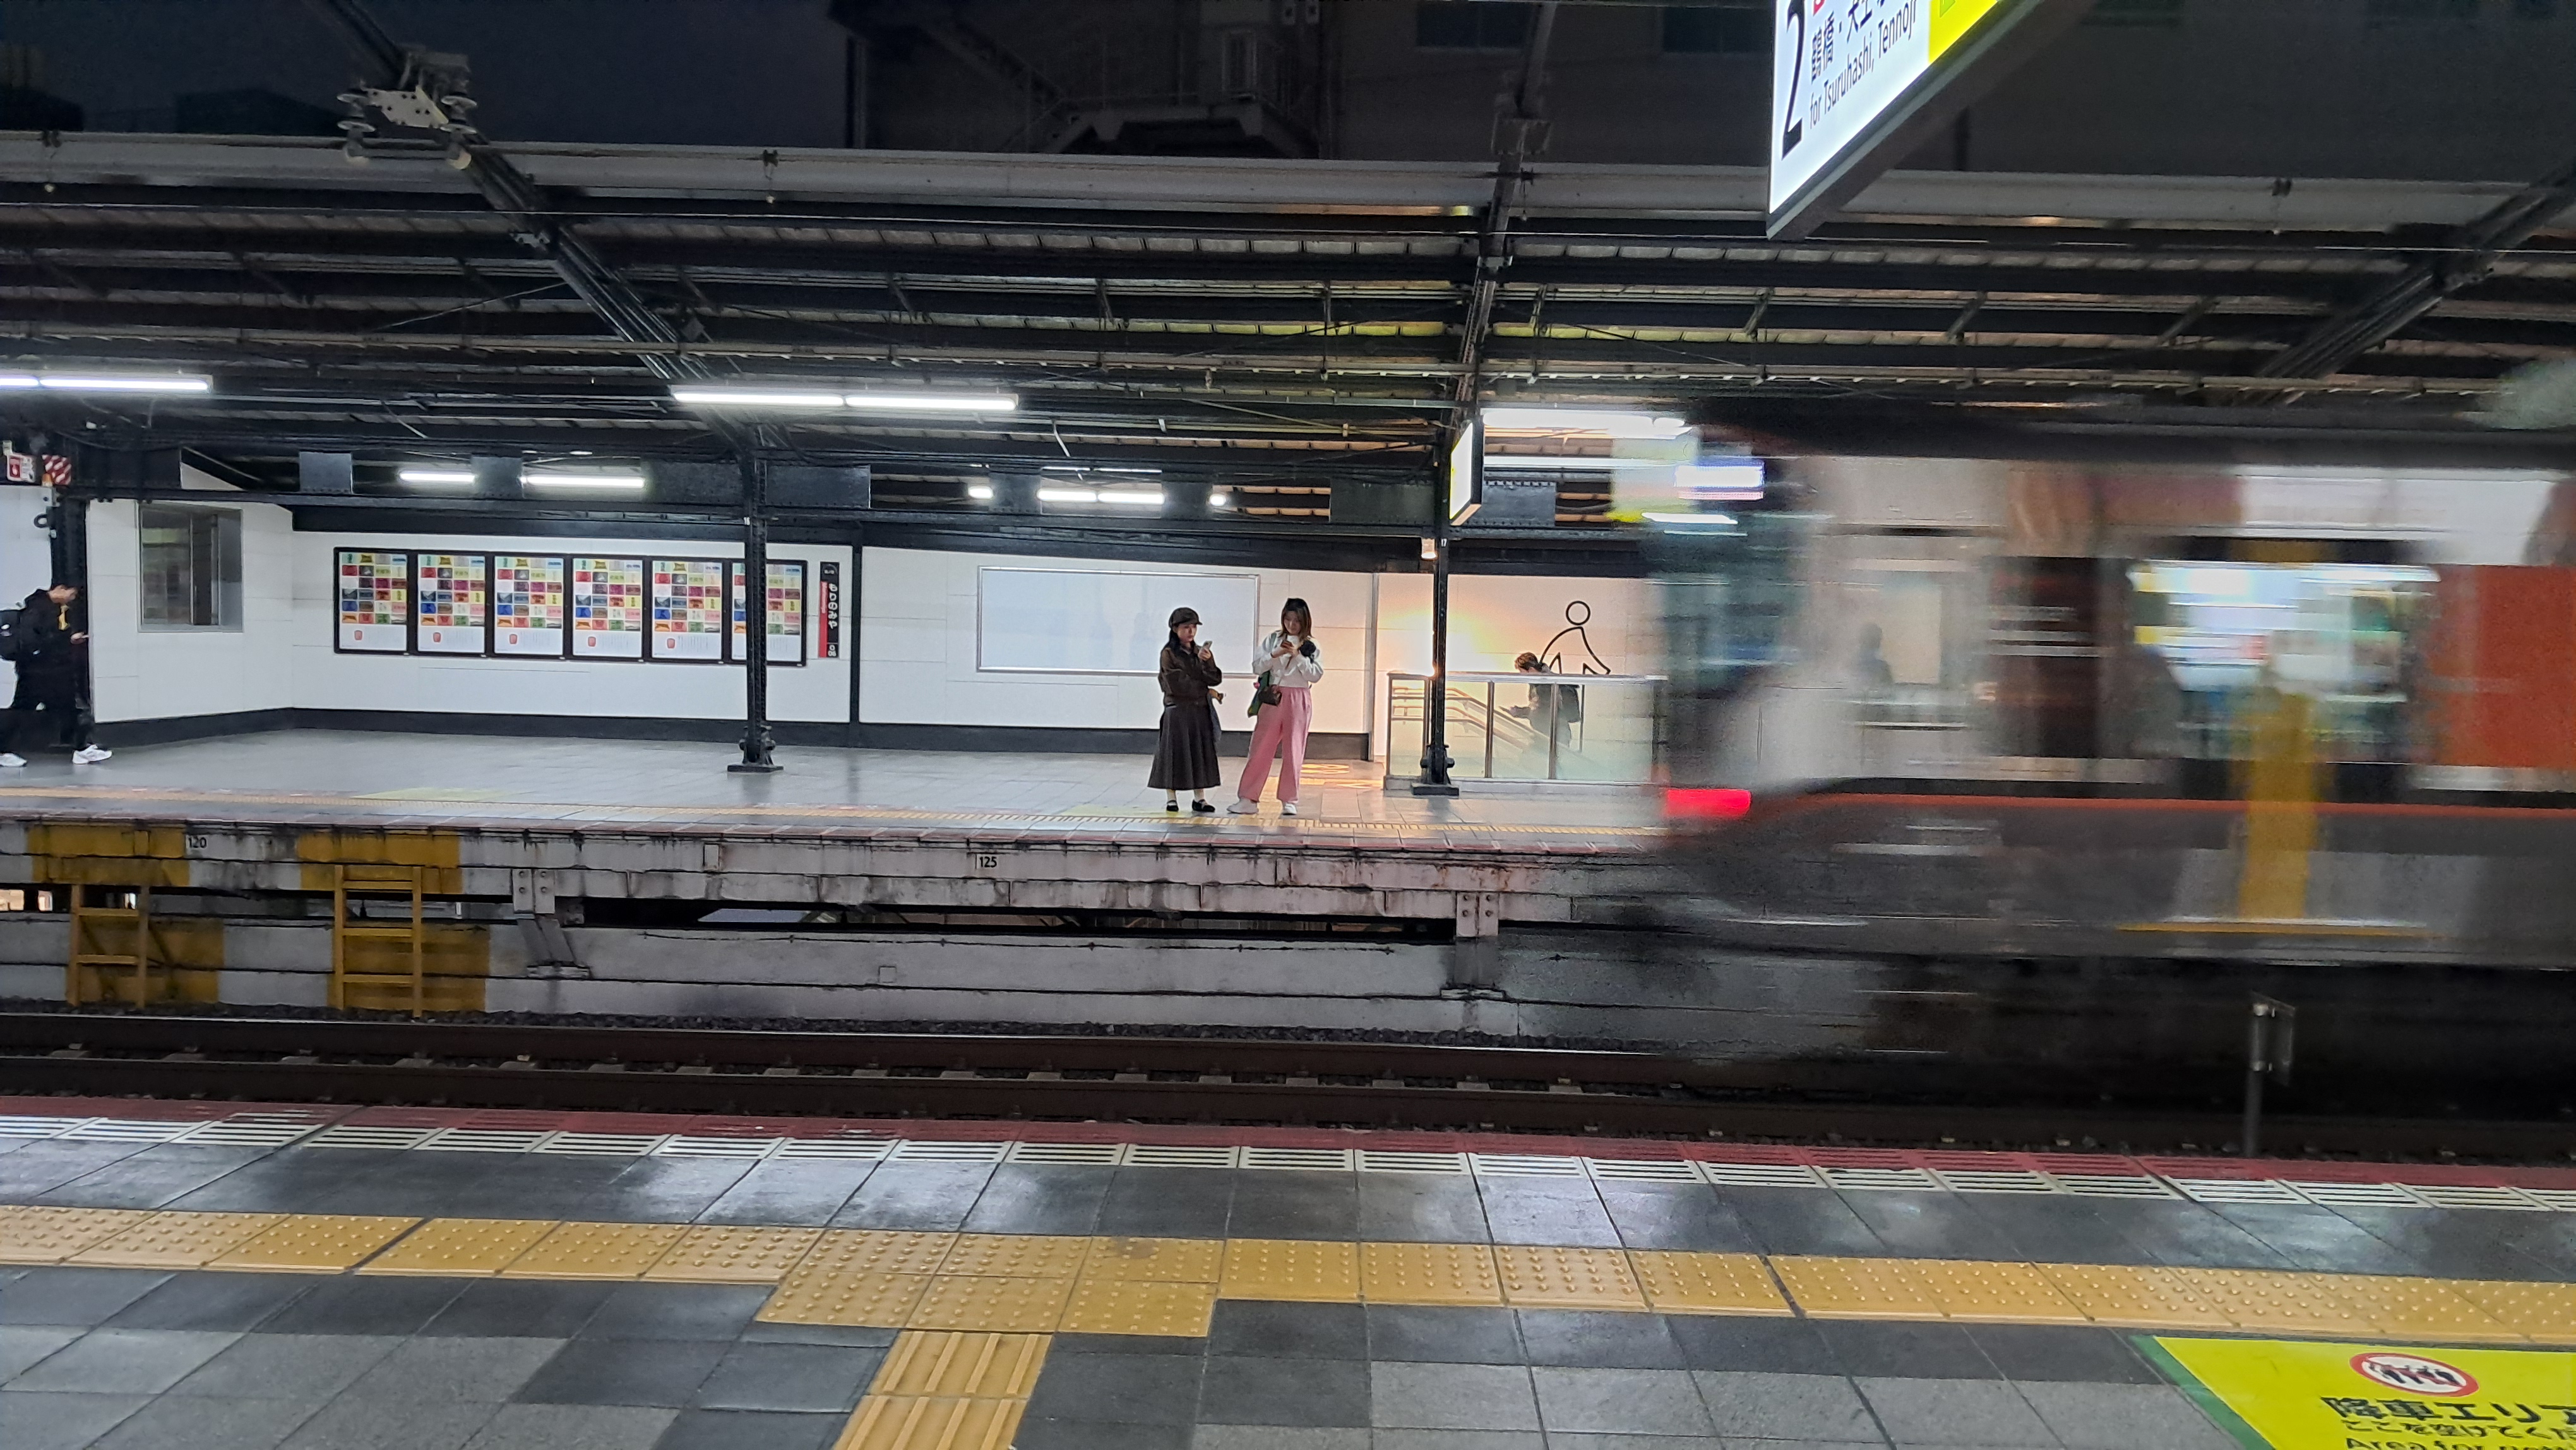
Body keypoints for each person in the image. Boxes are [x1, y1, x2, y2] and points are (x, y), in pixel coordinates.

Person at [1230, 597, 1322, 817]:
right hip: (1273, 696)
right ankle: (1248, 798)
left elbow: (1315, 675)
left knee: (1294, 750)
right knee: (1260, 748)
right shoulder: (1273, 640)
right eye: (1287, 619)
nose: (1291, 625)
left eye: (1296, 621)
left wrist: (1298, 656)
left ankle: (1289, 800)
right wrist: (1275, 654)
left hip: (1299, 697)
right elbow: (1257, 666)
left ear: (1305, 621)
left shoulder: (1311, 645)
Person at [2, 582, 107, 768]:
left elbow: (50, 636)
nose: (70, 599)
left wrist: (68, 640)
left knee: (68, 709)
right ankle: (3, 750)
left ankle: (82, 748)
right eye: (70, 594)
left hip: (53, 671)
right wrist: (60, 643)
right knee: (22, 711)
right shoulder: (38, 607)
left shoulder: (55, 609)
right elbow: (34, 639)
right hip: (37, 672)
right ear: (60, 589)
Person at [1149, 606, 1224, 813]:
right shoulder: (1168, 653)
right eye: (1186, 627)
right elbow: (1176, 683)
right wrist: (1204, 688)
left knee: (1199, 754)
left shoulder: (1201, 652)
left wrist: (1208, 664)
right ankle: (1171, 798)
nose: (1191, 632)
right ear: (1175, 629)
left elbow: (1215, 678)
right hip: (1177, 710)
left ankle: (1200, 798)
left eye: (1194, 627)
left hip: (1198, 710)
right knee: (1173, 754)